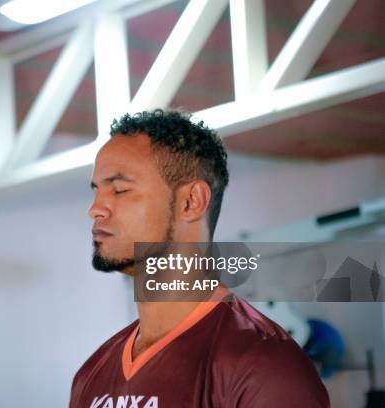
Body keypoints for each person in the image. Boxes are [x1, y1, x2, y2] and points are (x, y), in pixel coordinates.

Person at [69, 109, 329, 407]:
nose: (96, 209)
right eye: (97, 192)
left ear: (192, 202)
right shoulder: (92, 373)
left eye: (119, 190)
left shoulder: (266, 367)